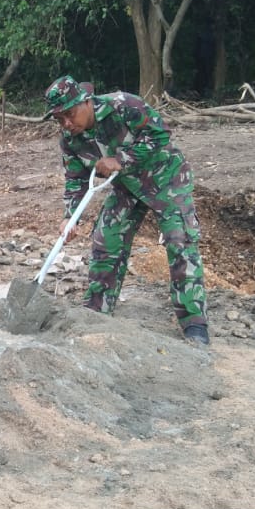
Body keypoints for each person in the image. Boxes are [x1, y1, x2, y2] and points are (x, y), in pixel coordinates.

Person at [43, 75, 210, 346]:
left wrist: (120, 159)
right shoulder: (70, 139)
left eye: (70, 115)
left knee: (180, 242)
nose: (66, 123)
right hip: (127, 187)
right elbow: (75, 179)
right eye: (59, 119)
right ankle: (97, 311)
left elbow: (160, 135)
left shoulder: (124, 105)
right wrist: (69, 216)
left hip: (167, 179)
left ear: (86, 102)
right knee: (105, 239)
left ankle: (194, 323)